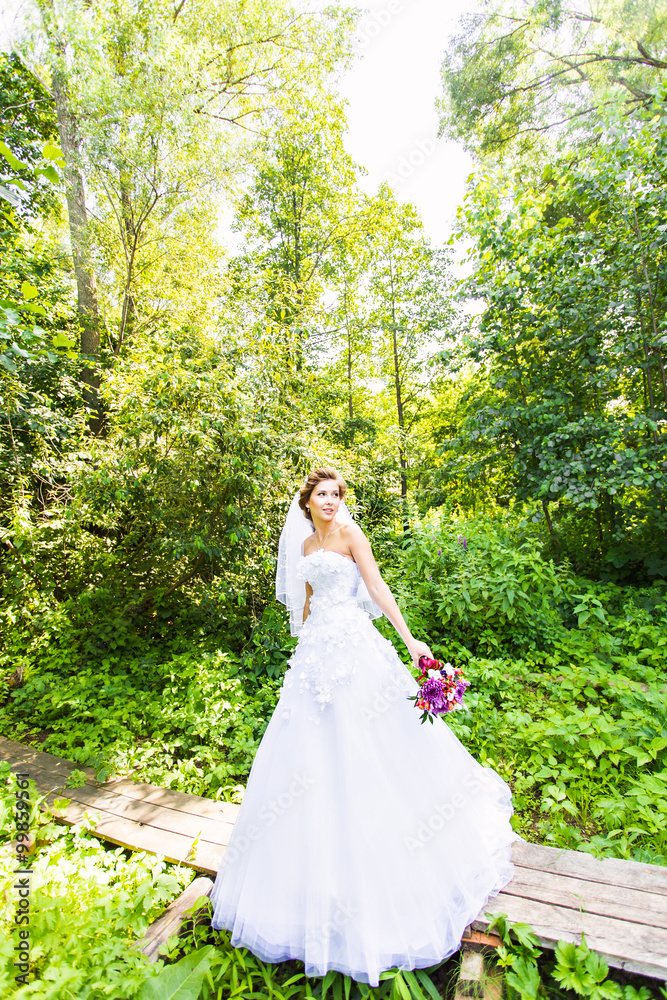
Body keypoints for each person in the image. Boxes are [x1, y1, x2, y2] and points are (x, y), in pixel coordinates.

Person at [210, 467, 518, 986]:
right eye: (322, 494)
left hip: (357, 652)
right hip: (315, 660)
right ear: (306, 501)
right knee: (307, 755)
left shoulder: (352, 535)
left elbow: (375, 588)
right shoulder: (305, 545)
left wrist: (411, 641)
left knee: (375, 745)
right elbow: (305, 605)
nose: (331, 501)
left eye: (336, 494)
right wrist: (307, 647)